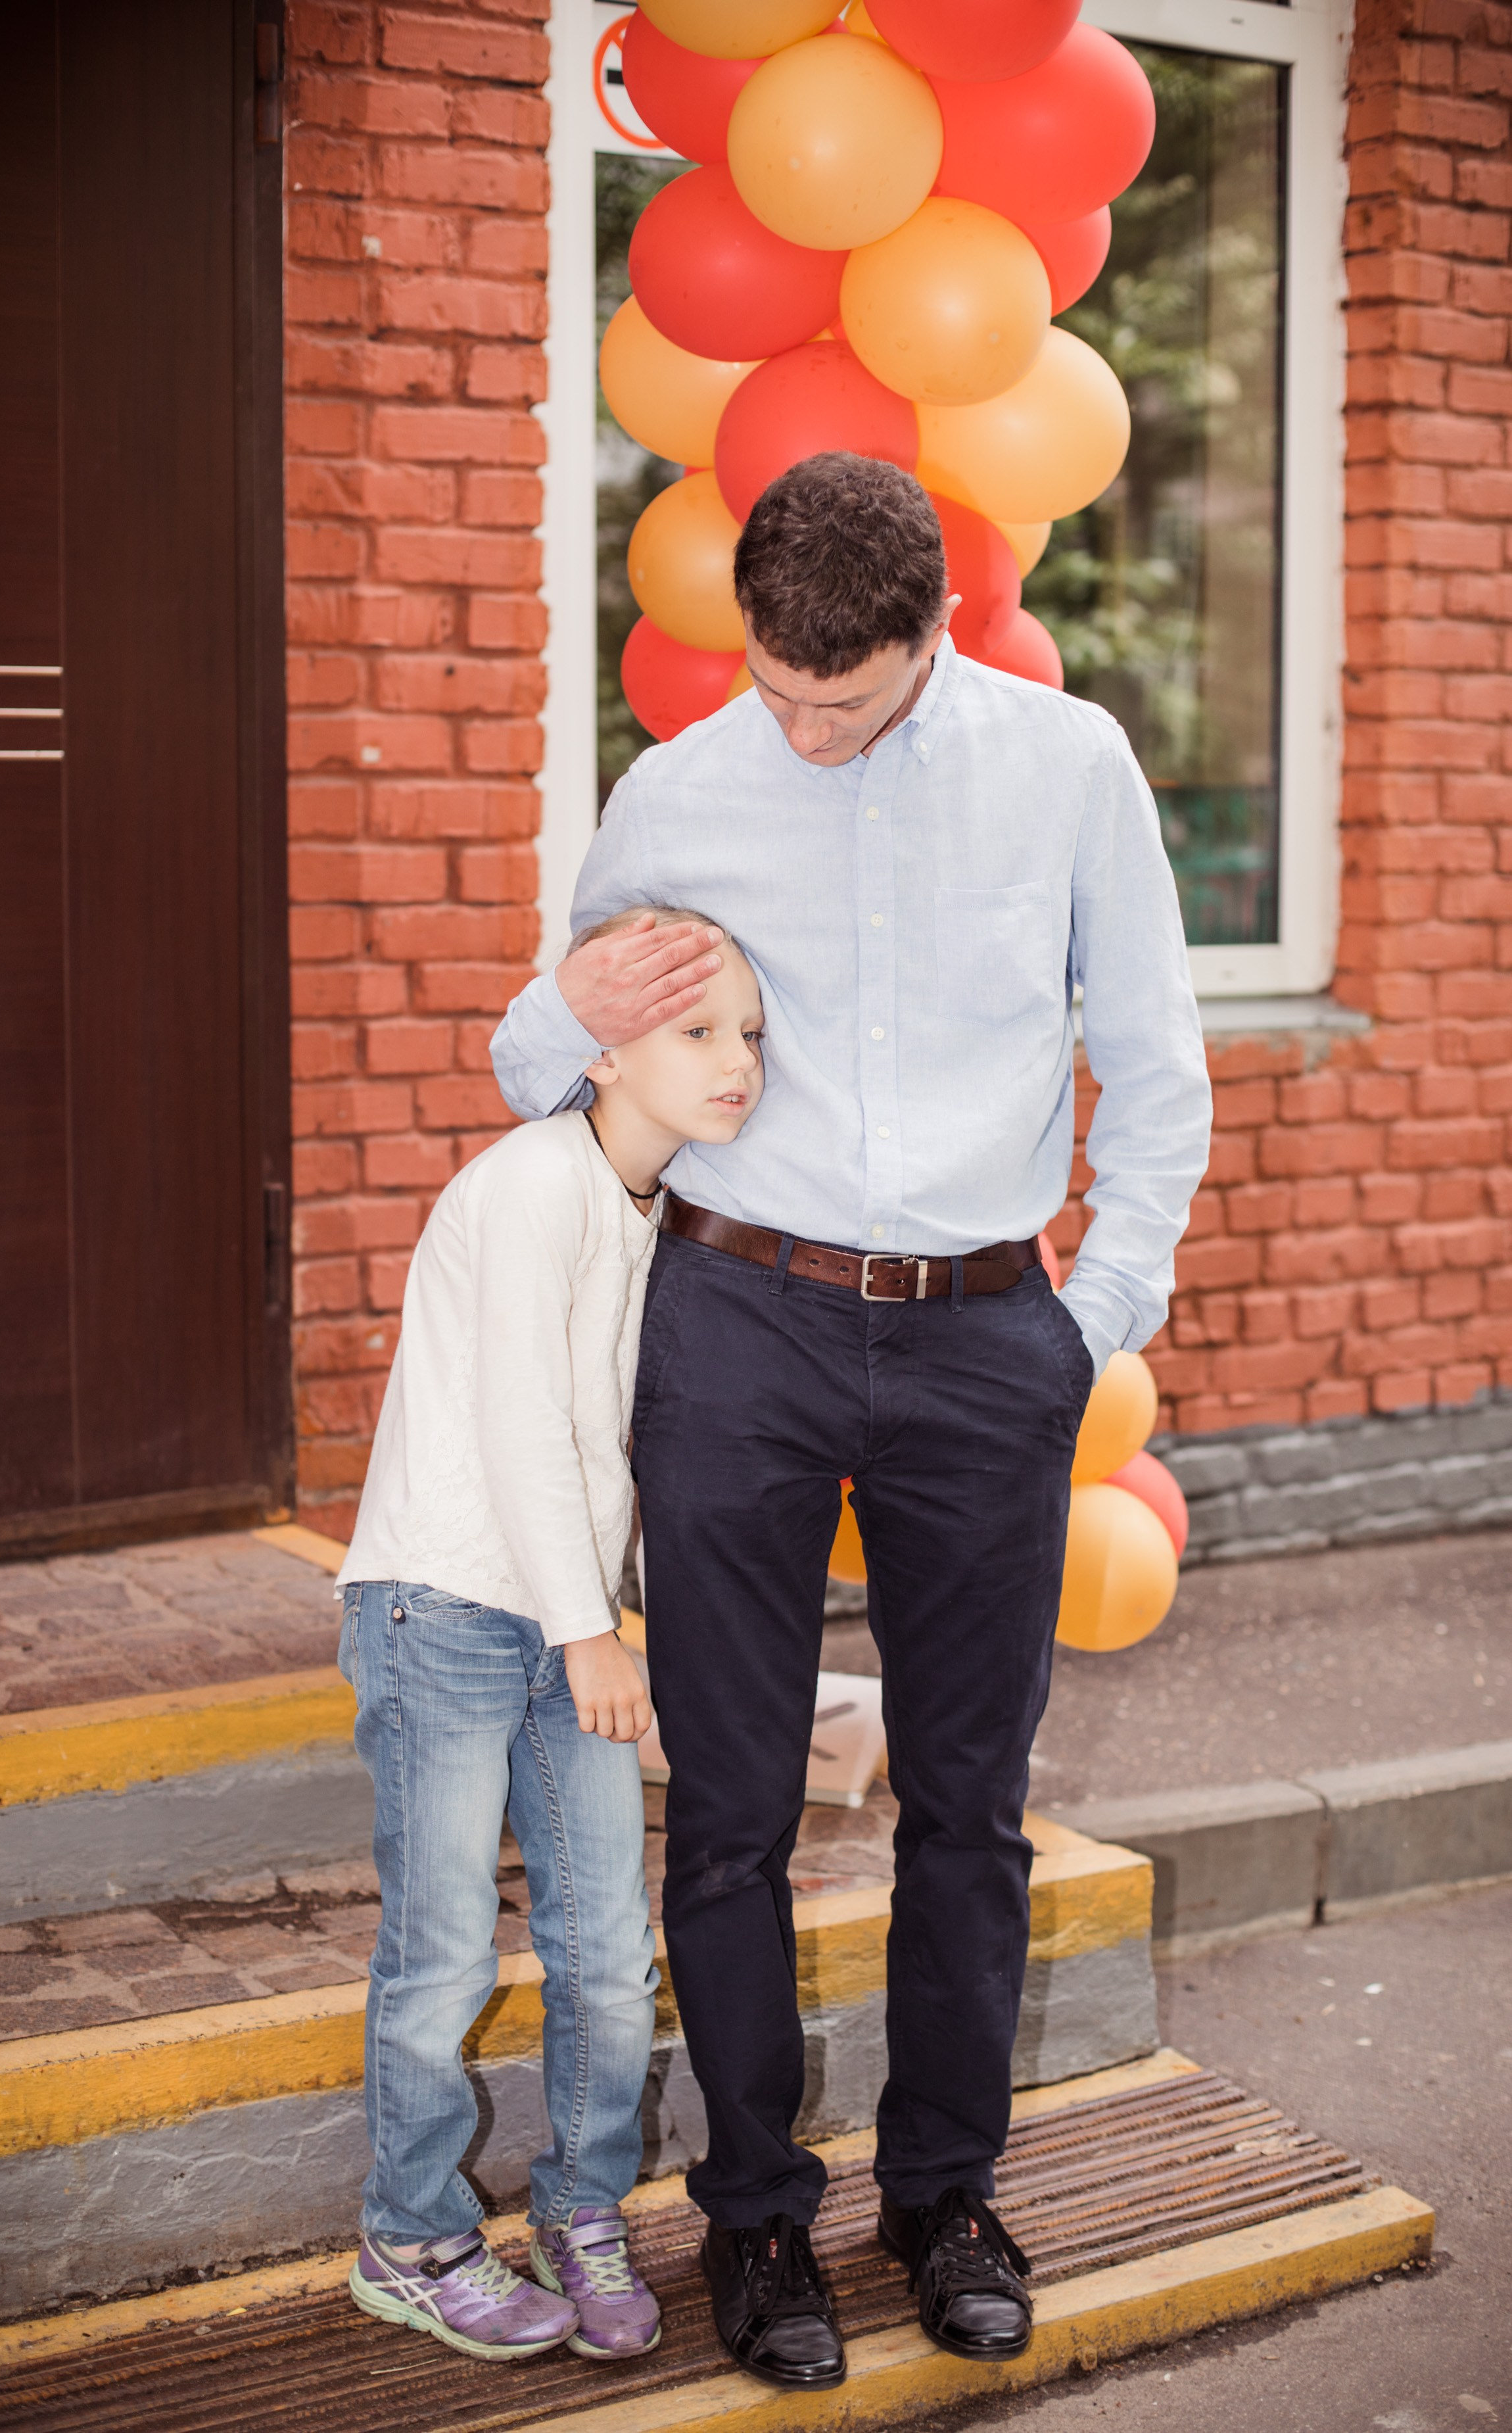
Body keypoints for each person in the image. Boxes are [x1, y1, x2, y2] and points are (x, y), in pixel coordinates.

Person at [490, 454, 1212, 2389]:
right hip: (735, 1321)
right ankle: (751, 2217)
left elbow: (1152, 1065)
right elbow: (537, 1065)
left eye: (850, 698)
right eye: (779, 691)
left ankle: (941, 2192)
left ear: (935, 636)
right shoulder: (679, 789)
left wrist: (1091, 1321)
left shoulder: (1064, 769)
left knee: (967, 1803)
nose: (803, 730)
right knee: (725, 1810)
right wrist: (562, 995)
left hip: (988, 1337)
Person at [335, 911, 765, 2363]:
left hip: (568, 1617)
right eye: (699, 1032)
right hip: (446, 1603)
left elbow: (613, 1446)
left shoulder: (655, 1209)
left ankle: (582, 2206)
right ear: (601, 1048)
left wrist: (608, 1615)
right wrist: (596, 1633)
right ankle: (409, 2233)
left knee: (601, 1953)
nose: (737, 1064)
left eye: (751, 1034)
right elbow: (523, 1419)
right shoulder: (528, 1185)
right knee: (446, 1947)